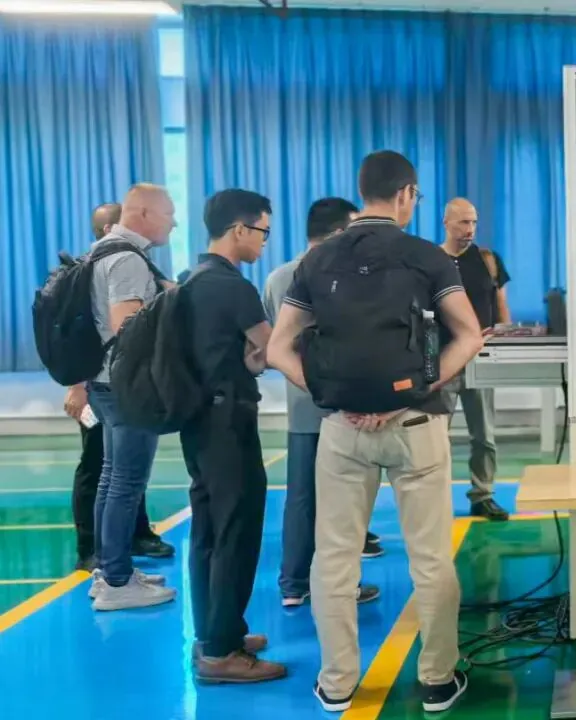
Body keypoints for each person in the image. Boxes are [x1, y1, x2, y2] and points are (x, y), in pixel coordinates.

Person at [268, 150, 484, 714]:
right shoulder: (426, 258)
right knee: (430, 557)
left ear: (361, 192)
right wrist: (419, 386)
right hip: (417, 425)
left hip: (341, 428)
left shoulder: (314, 262)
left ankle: (338, 681)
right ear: (407, 194)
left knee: (334, 558)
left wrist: (328, 396)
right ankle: (438, 678)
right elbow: (469, 335)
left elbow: (278, 348)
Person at [180, 189, 285, 684]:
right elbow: (274, 348)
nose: (265, 240)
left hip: (199, 422)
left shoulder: (190, 280)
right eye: (262, 230)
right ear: (240, 230)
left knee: (207, 532)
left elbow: (234, 356)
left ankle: (215, 632)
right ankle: (222, 654)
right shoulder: (233, 286)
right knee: (236, 532)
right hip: (230, 424)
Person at [263, 197, 382, 609]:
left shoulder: (277, 277)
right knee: (342, 502)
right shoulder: (339, 276)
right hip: (342, 405)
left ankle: (293, 584)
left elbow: (270, 344)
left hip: (301, 406)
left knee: (300, 498)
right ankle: (340, 587)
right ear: (336, 233)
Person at [67, 202, 174, 573]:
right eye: (167, 212)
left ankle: (117, 555)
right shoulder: (121, 260)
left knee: (116, 475)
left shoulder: (102, 259)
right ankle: (107, 565)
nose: (173, 221)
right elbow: (121, 326)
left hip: (103, 382)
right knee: (110, 473)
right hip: (114, 383)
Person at [441, 198, 511, 521]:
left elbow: (501, 305)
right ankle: (435, 497)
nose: (469, 229)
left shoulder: (488, 261)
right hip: (443, 360)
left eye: (473, 222)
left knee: (484, 434)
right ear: (447, 223)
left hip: (481, 360)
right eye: (463, 223)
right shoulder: (431, 262)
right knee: (436, 435)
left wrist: (504, 338)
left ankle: (482, 494)